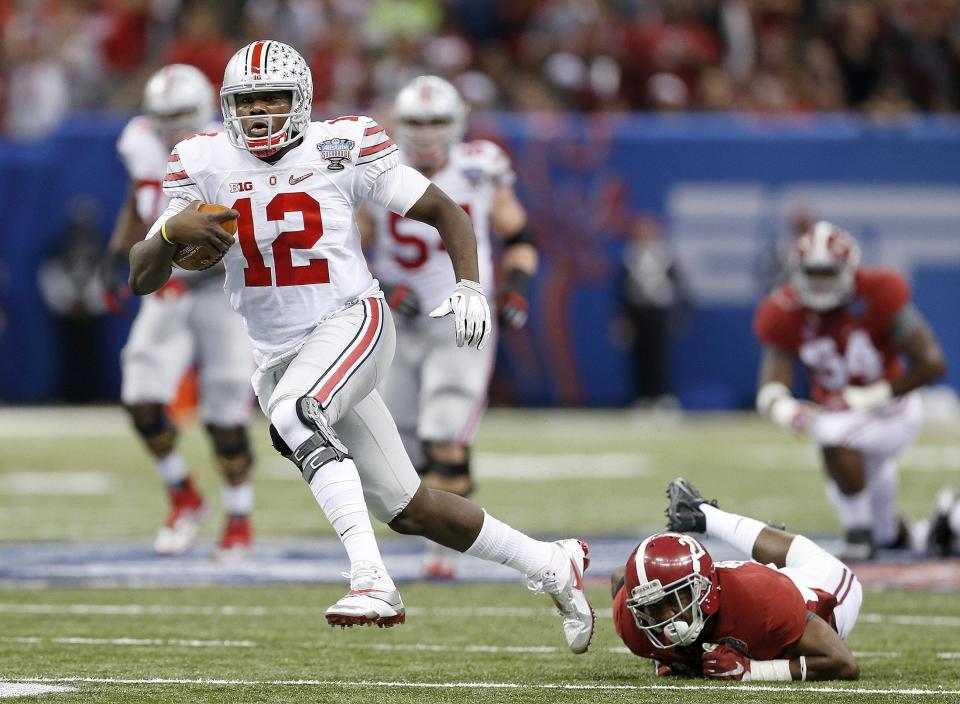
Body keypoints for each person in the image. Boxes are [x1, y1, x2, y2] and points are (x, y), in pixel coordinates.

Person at [127, 40, 593, 653]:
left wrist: (471, 285)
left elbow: (445, 209)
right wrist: (166, 231)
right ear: (226, 105)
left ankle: (373, 580)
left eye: (274, 98)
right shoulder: (200, 158)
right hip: (276, 352)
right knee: (410, 507)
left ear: (303, 101)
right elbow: (142, 276)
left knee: (297, 415)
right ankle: (551, 563)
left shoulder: (341, 145)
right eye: (248, 100)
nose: (261, 112)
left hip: (353, 318)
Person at [359, 75, 538, 579]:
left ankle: (448, 548)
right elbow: (350, 243)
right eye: (417, 121)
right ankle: (448, 520)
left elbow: (519, 231)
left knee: (444, 431)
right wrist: (384, 284)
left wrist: (516, 285)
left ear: (457, 121)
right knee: (402, 440)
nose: (428, 132)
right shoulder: (377, 166)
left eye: (437, 120)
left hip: (461, 320)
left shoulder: (479, 166)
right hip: (398, 322)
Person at [101, 64, 256, 559]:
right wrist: (116, 255)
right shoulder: (139, 141)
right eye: (163, 115)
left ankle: (239, 517)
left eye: (181, 114)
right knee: (141, 400)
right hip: (169, 290)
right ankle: (184, 496)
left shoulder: (229, 146)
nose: (172, 124)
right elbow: (138, 199)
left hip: (225, 291)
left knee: (225, 418)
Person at [753, 221, 947, 559]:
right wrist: (786, 409)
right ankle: (924, 530)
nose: (818, 283)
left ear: (848, 269)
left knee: (830, 433)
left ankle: (859, 534)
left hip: (892, 410)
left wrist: (870, 395)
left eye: (827, 273)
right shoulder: (782, 311)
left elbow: (932, 363)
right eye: (811, 272)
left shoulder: (879, 292)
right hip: (842, 412)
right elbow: (771, 385)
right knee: (886, 532)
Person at [611, 478, 862, 681]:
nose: (667, 617)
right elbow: (621, 576)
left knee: (818, 562)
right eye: (654, 607)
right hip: (749, 583)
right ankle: (701, 516)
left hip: (816, 590)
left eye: (675, 600)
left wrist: (753, 671)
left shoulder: (762, 599)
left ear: (702, 591)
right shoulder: (634, 622)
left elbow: (843, 664)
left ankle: (704, 515)